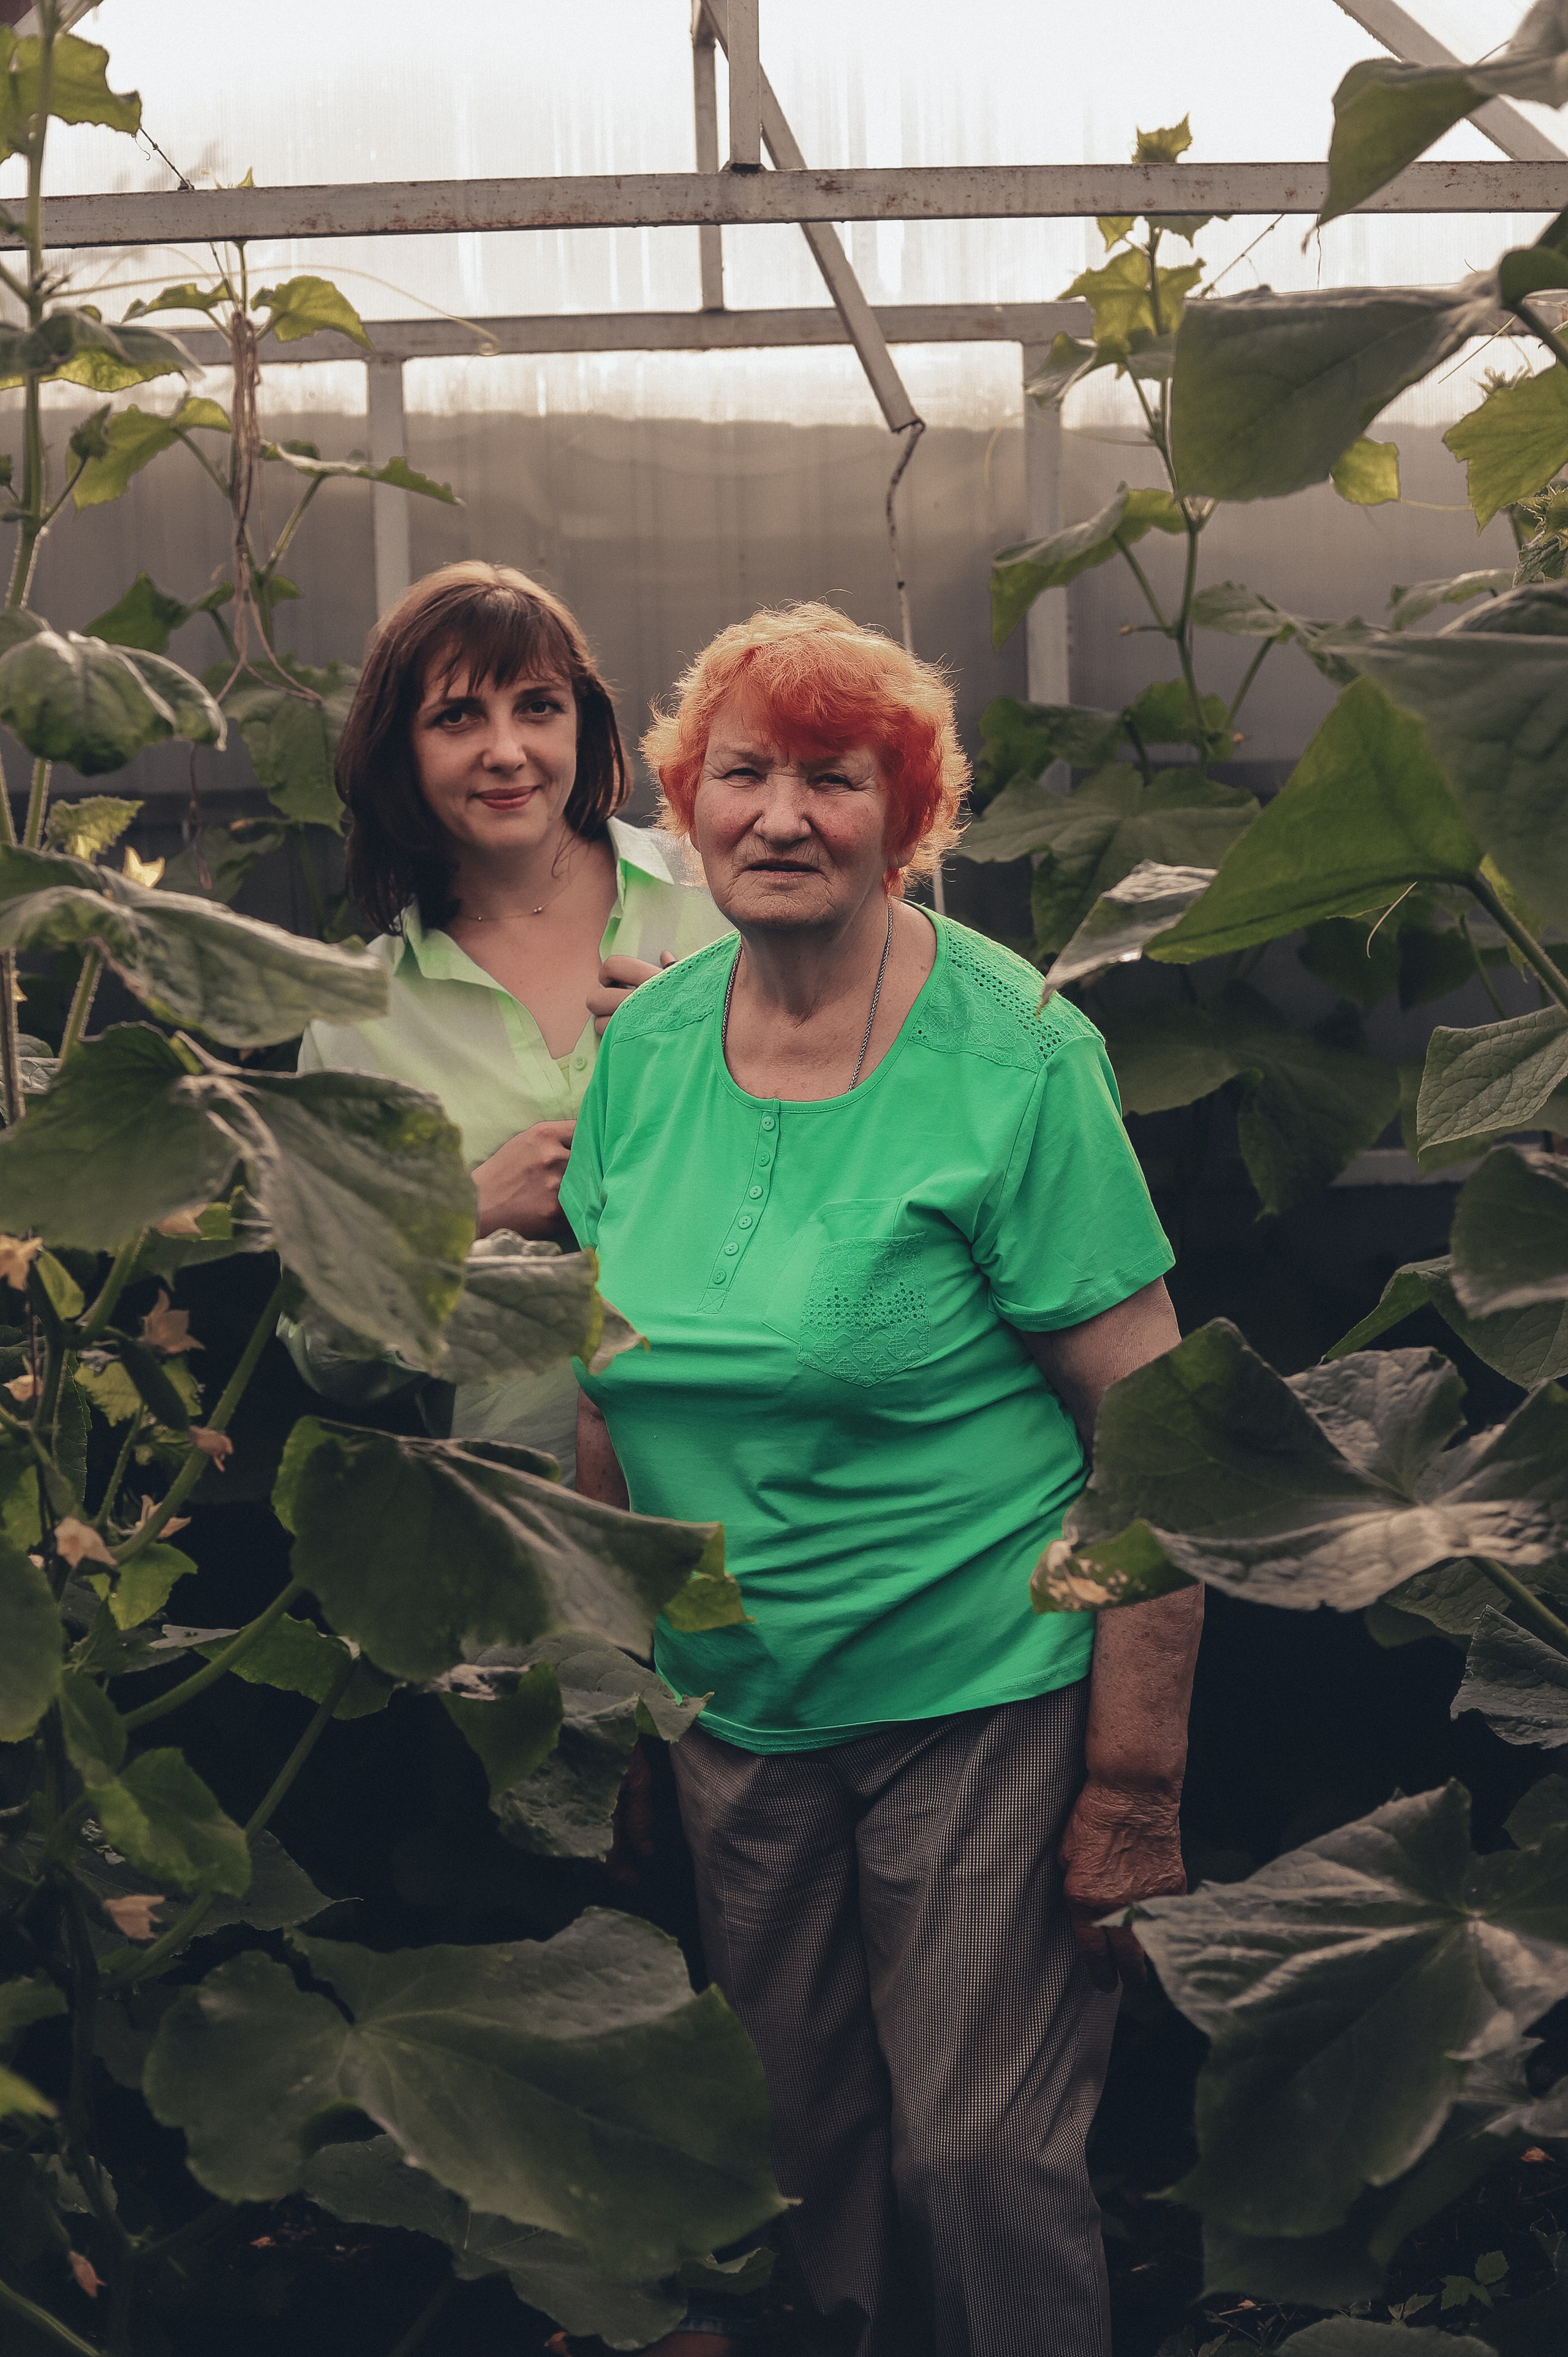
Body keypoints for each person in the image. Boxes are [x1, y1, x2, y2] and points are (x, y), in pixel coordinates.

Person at [563, 603, 1204, 2357]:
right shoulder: (643, 1048)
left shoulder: (1014, 1062)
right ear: (687, 809)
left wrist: (1132, 1778)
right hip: (732, 1703)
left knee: (980, 2152)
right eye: (744, 773)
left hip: (977, 1684)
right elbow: (606, 1397)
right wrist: (620, 1695)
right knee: (792, 2146)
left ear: (904, 820)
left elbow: (1151, 1438)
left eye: (835, 780)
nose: (782, 816)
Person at [293, 561, 731, 1476]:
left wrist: (723, 1048)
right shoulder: (356, 1022)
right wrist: (459, 1218)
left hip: (765, 1482)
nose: (506, 750)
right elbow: (326, 1349)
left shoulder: (721, 902)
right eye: (457, 716)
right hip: (532, 1533)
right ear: (398, 749)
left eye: (538, 706)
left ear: (582, 723)